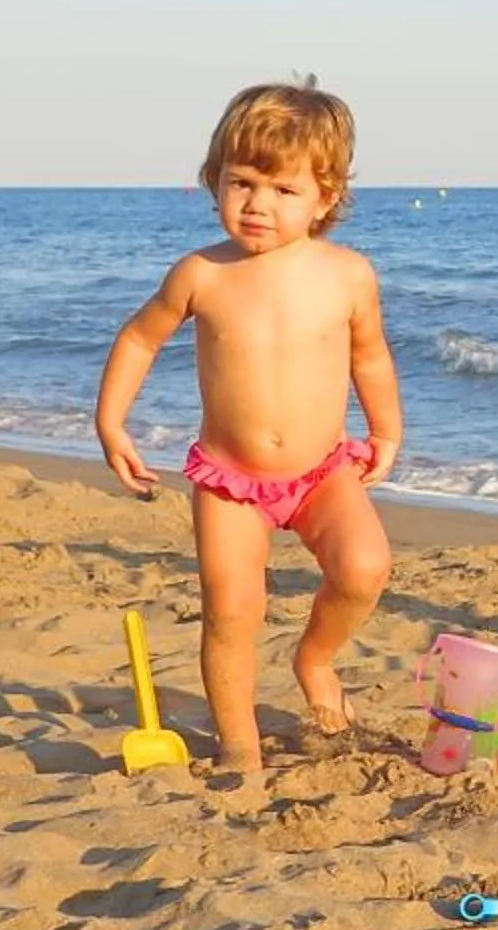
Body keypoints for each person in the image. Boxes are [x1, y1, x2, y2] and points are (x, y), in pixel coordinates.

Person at [96, 80, 402, 777]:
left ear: (326, 198)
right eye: (241, 182)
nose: (257, 203)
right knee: (231, 611)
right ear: (214, 181)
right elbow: (140, 339)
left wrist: (386, 430)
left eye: (283, 190)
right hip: (230, 479)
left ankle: (314, 657)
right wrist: (112, 422)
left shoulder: (348, 275)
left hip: (323, 470)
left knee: (364, 568)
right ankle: (240, 746)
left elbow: (371, 356)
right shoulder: (202, 273)